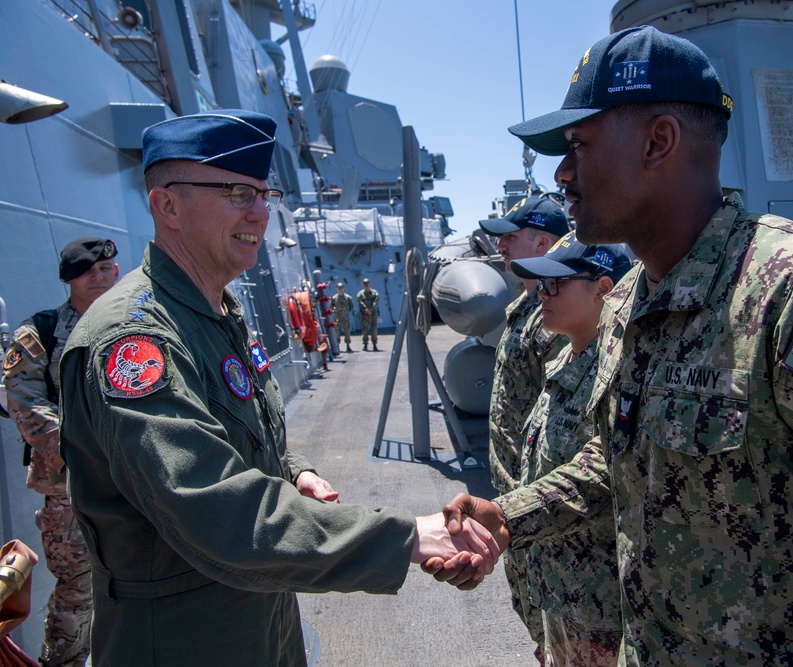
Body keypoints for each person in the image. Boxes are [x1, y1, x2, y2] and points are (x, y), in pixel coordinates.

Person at [438, 26, 793, 665]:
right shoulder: (630, 306)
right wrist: (511, 515)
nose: (562, 173)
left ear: (658, 142)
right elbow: (623, 458)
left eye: (578, 145)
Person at [58, 109, 498, 666]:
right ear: (167, 206)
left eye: (264, 195)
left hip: (262, 611)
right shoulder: (135, 340)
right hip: (184, 638)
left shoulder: (217, 311)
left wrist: (293, 471)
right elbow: (217, 511)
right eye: (238, 193)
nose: (261, 213)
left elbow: (236, 429)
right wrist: (407, 536)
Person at [505, 233, 631, 666]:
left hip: (599, 607)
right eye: (541, 283)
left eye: (555, 283)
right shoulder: (564, 363)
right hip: (556, 592)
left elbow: (600, 475)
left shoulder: (618, 376)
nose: (542, 293)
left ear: (603, 289)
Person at [2, 237, 119, 667]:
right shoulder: (40, 333)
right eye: (89, 272)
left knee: (149, 581)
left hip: (138, 481)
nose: (99, 278)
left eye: (106, 270)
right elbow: (24, 402)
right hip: (70, 488)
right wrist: (86, 451)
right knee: (77, 592)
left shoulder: (137, 326)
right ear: (69, 279)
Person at [479, 195, 570, 661]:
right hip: (514, 488)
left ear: (542, 243)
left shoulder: (558, 316)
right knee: (530, 602)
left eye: (510, 237)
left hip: (540, 494)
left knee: (555, 611)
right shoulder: (526, 306)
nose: (500, 246)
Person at [356, 277, 379, 351]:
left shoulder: (374, 292)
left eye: (367, 283)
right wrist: (366, 309)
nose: (366, 284)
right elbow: (360, 302)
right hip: (364, 315)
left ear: (369, 283)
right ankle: (365, 344)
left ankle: (374, 344)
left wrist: (371, 309)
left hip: (373, 314)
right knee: (364, 330)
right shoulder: (360, 294)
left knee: (374, 330)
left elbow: (376, 302)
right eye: (365, 283)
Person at [331, 281, 354, 352]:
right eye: (339, 288)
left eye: (341, 288)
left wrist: (346, 312)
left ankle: (348, 346)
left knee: (347, 332)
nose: (340, 289)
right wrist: (334, 310)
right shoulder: (334, 298)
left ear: (343, 288)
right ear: (337, 289)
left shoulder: (348, 297)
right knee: (337, 333)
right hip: (337, 318)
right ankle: (337, 347)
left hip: (345, 318)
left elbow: (351, 306)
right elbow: (330, 307)